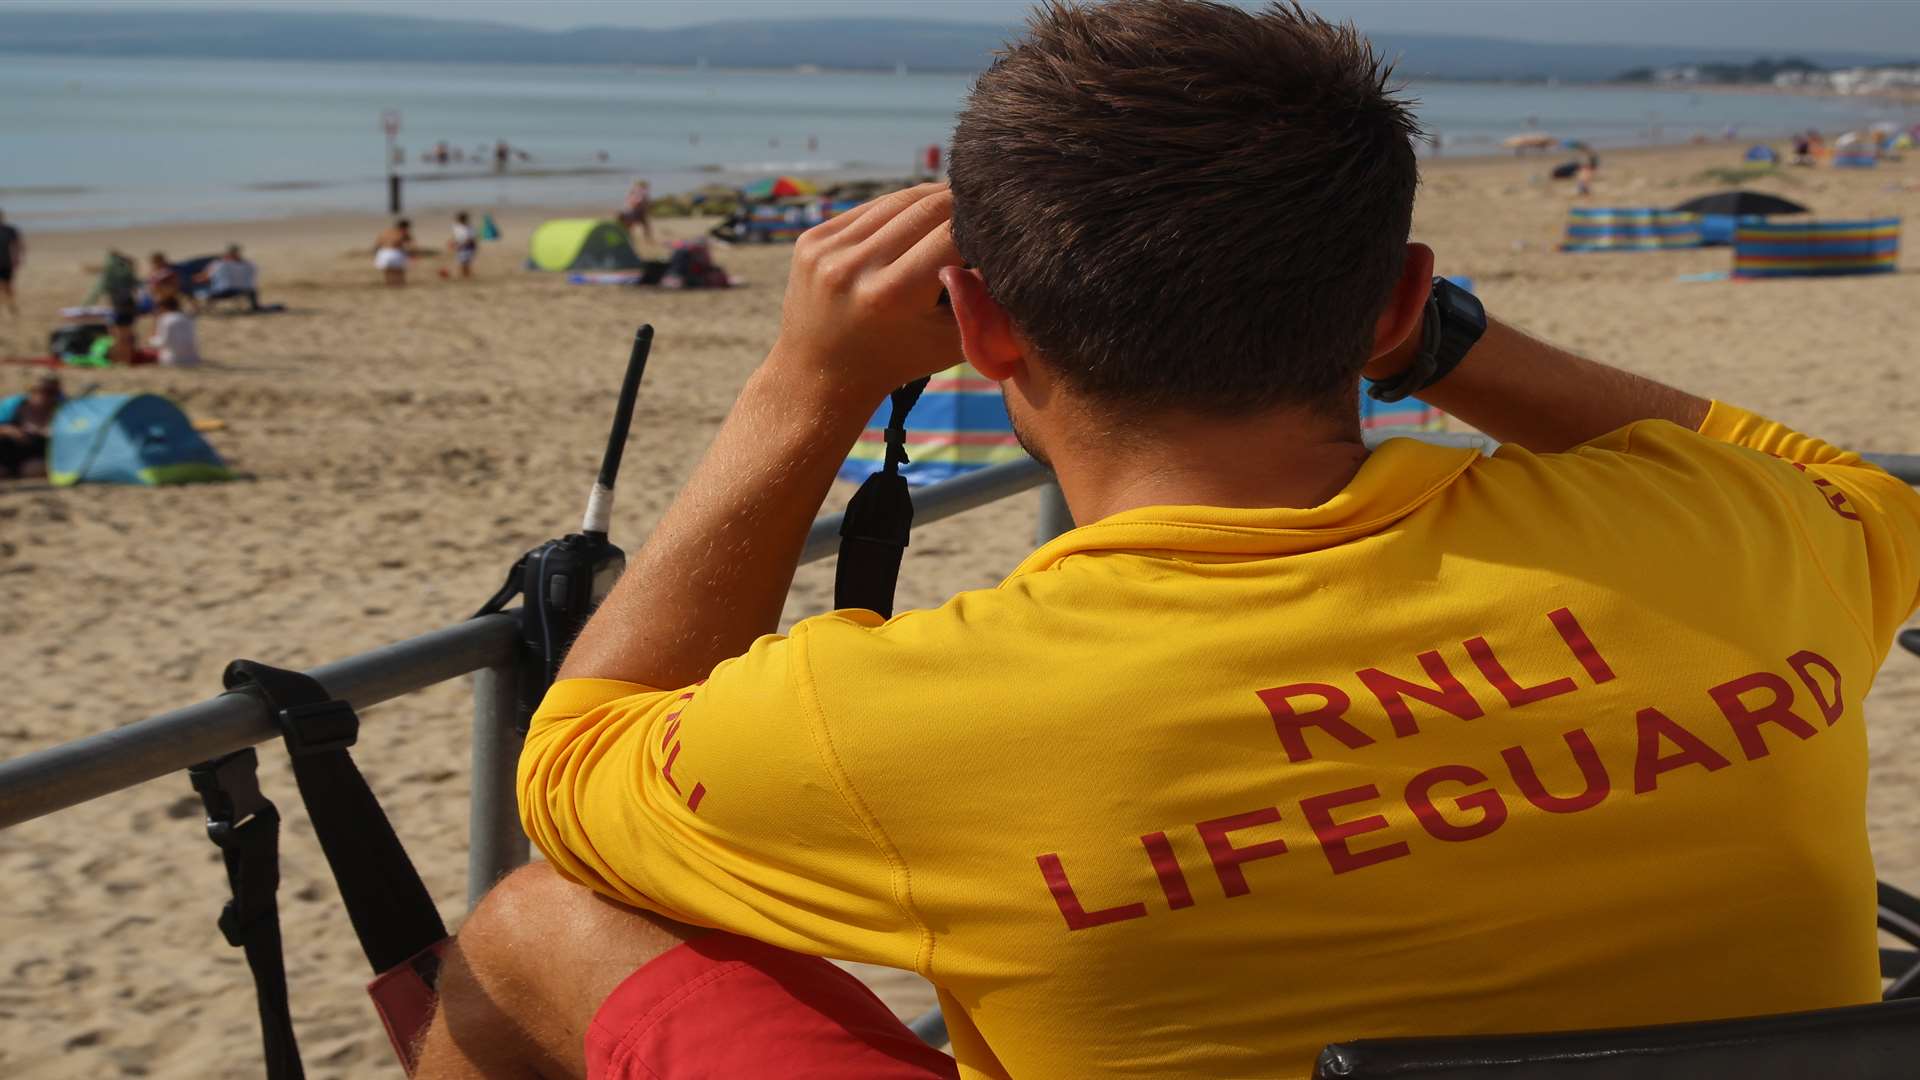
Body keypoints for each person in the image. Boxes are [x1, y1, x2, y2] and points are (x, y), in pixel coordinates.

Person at [419, 4, 1920, 1078]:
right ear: (1395, 302)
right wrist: (1442, 344)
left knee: (538, 929)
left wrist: (799, 392)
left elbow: (572, 765)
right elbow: (1840, 483)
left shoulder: (894, 722)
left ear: (983, 325)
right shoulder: (1739, 539)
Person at [83, 250, 140, 364]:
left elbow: (96, 292)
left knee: (118, 336)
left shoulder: (111, 276)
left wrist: (86, 305)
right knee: (123, 336)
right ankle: (124, 359)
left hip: (121, 309)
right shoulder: (126, 273)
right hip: (127, 308)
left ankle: (120, 360)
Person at [0, 375, 62, 479]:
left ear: (56, 393)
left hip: (37, 455)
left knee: (31, 470)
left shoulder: (63, 411)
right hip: (8, 449)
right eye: (36, 391)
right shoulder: (13, 406)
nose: (42, 396)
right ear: (28, 391)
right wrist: (8, 430)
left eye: (49, 392)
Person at [195, 244, 262, 311]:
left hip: (223, 291)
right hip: (245, 291)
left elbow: (204, 277)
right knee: (251, 289)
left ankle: (204, 309)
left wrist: (195, 279)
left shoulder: (219, 264)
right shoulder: (249, 264)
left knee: (202, 291)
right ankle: (255, 306)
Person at [147, 296, 200, 366]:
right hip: (193, 358)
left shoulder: (165, 319)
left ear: (163, 307)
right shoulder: (188, 318)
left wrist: (151, 340)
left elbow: (164, 342)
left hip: (173, 360)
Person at [374, 219, 412, 287]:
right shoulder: (403, 232)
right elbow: (409, 243)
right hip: (395, 251)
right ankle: (400, 283)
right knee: (399, 270)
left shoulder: (385, 231)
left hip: (383, 252)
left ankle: (389, 283)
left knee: (388, 270)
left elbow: (377, 243)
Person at [0, 209, 22, 319]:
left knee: (8, 287)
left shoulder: (9, 230)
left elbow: (18, 245)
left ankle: (11, 307)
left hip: (6, 263)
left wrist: (17, 258)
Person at [621, 179, 653, 248]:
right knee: (632, 228)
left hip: (638, 212)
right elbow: (632, 203)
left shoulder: (640, 193)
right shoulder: (636, 192)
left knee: (645, 227)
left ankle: (647, 240)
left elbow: (645, 204)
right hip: (633, 212)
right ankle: (631, 241)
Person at [447, 211, 477, 280]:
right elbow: (455, 236)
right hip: (460, 246)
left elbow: (471, 239)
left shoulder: (470, 228)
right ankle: (465, 276)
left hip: (468, 247)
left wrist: (461, 245)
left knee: (465, 262)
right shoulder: (456, 227)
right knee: (461, 262)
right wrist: (452, 243)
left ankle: (466, 276)